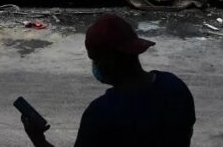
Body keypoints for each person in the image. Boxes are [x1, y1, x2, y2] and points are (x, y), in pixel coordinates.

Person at [21, 14, 196, 147]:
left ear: (108, 62)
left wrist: (39, 140)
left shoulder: (101, 113)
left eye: (94, 59)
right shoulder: (174, 87)